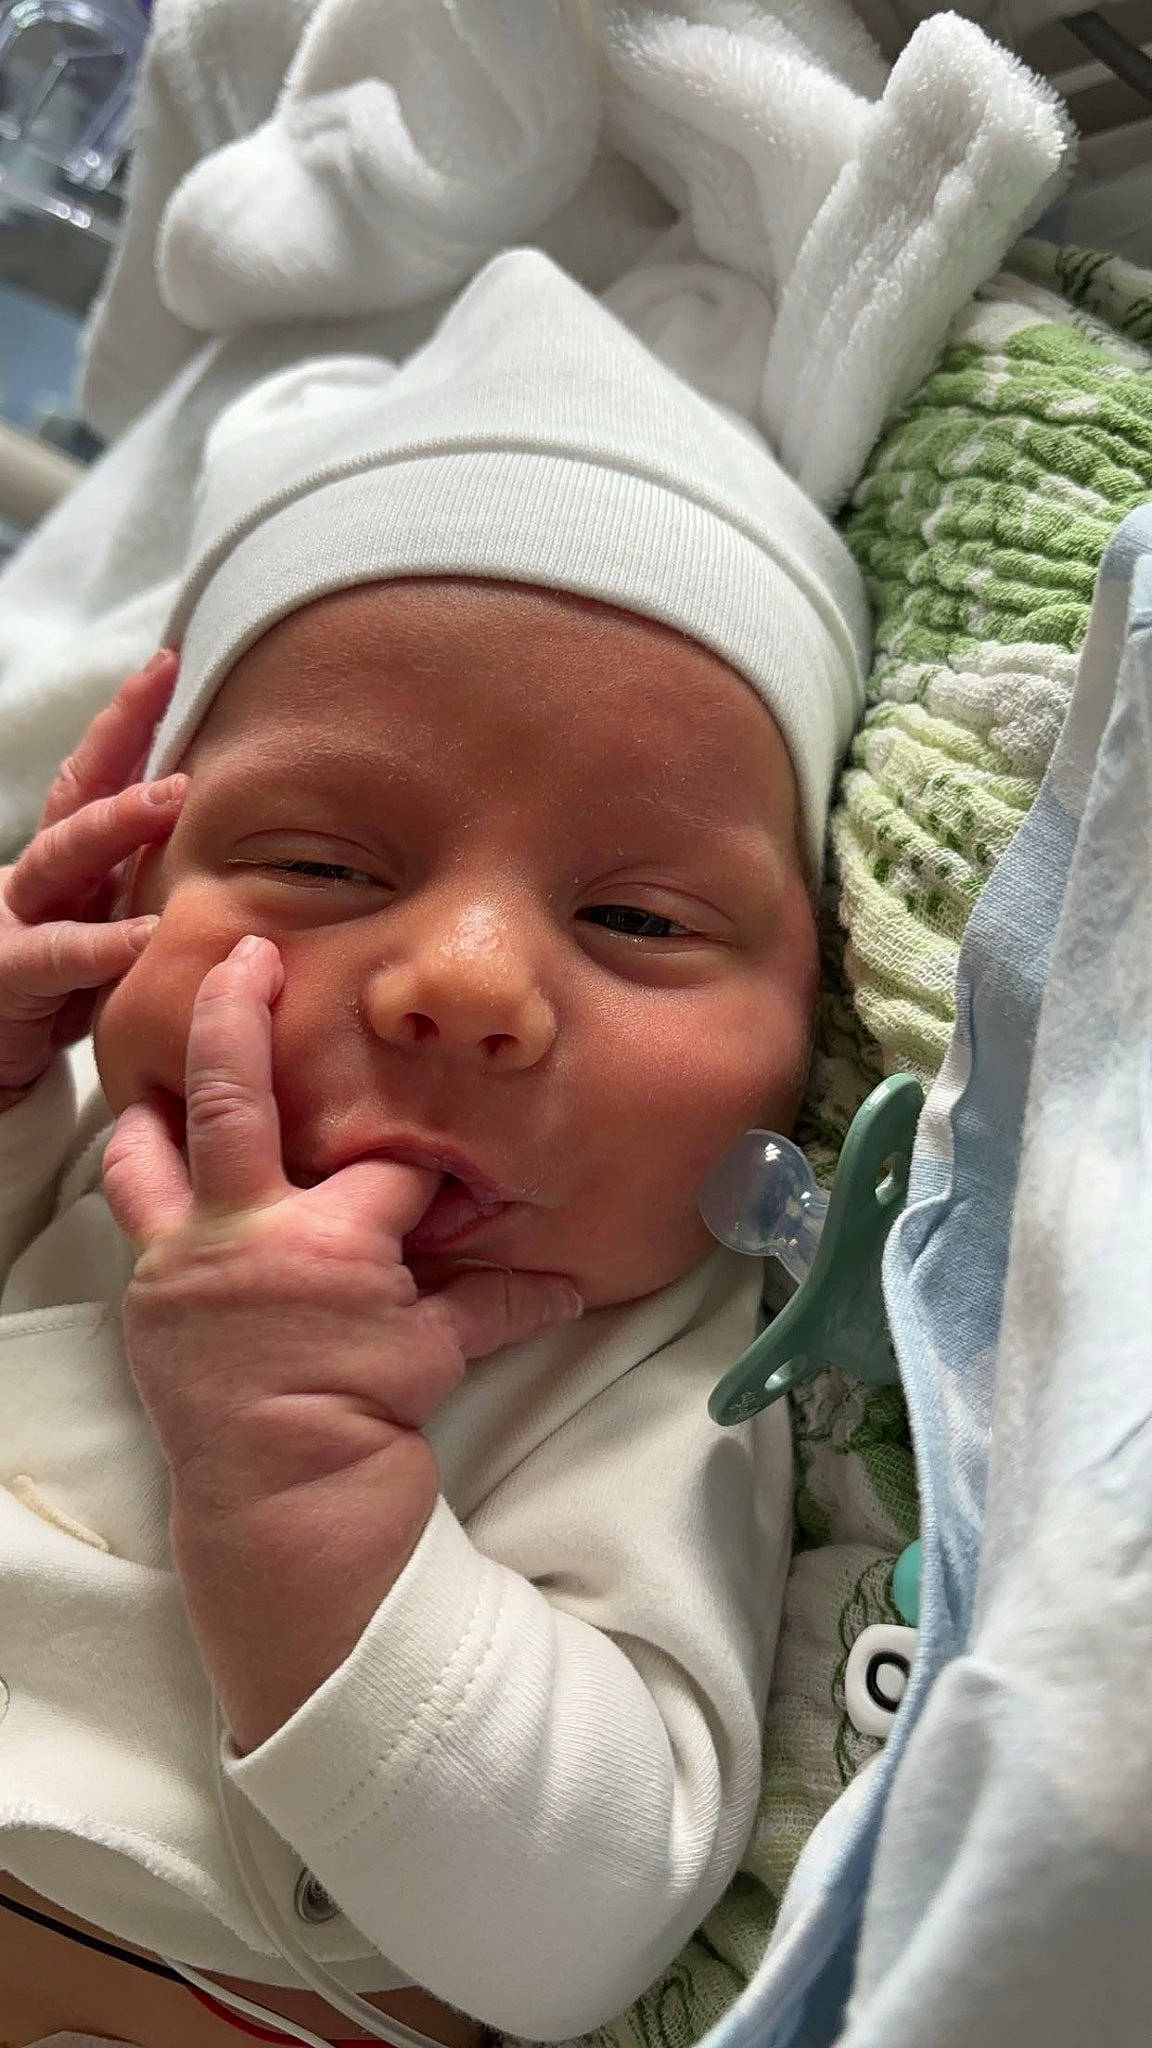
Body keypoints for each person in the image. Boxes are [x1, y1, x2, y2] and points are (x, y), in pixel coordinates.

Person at [0, 248, 869, 2048]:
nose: (465, 981)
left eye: (637, 919)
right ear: (135, 889)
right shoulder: (82, 1136)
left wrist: (306, 1475)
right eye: (320, 866)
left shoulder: (652, 1362)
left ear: (808, 1042)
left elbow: (580, 1935)